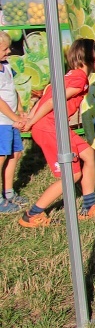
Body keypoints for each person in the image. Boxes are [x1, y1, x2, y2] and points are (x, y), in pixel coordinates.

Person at [18, 39, 95, 228]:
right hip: (49, 128)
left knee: (89, 154)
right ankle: (32, 214)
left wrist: (30, 118)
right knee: (72, 175)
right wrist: (31, 121)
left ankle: (89, 206)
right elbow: (53, 101)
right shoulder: (79, 79)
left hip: (53, 126)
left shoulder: (69, 75)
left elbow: (46, 96)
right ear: (93, 57)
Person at [0, 32, 27, 214]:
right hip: (2, 122)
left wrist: (20, 109)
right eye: (4, 49)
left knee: (15, 153)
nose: (8, 51)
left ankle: (9, 192)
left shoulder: (7, 67)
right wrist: (15, 118)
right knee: (1, 157)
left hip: (10, 121)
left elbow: (13, 90)